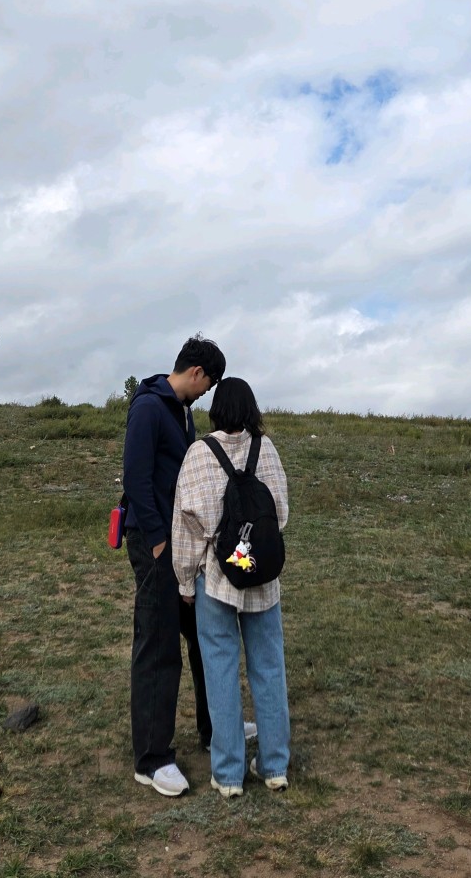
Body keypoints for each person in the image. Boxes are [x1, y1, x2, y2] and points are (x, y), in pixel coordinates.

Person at [173, 377, 290, 798]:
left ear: (217, 409)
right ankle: (274, 766)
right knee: (269, 667)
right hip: (261, 576)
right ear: (252, 408)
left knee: (220, 670)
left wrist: (185, 579)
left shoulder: (199, 454)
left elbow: (186, 524)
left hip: (217, 578)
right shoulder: (267, 449)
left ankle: (227, 774)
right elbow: (280, 514)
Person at [123, 334, 226, 796]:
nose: (208, 392)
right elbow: (136, 478)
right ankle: (152, 759)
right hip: (156, 545)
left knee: (204, 634)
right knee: (159, 644)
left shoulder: (182, 411)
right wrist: (159, 541)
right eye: (210, 383)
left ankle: (215, 727)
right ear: (197, 372)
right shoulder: (149, 407)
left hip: (182, 546)